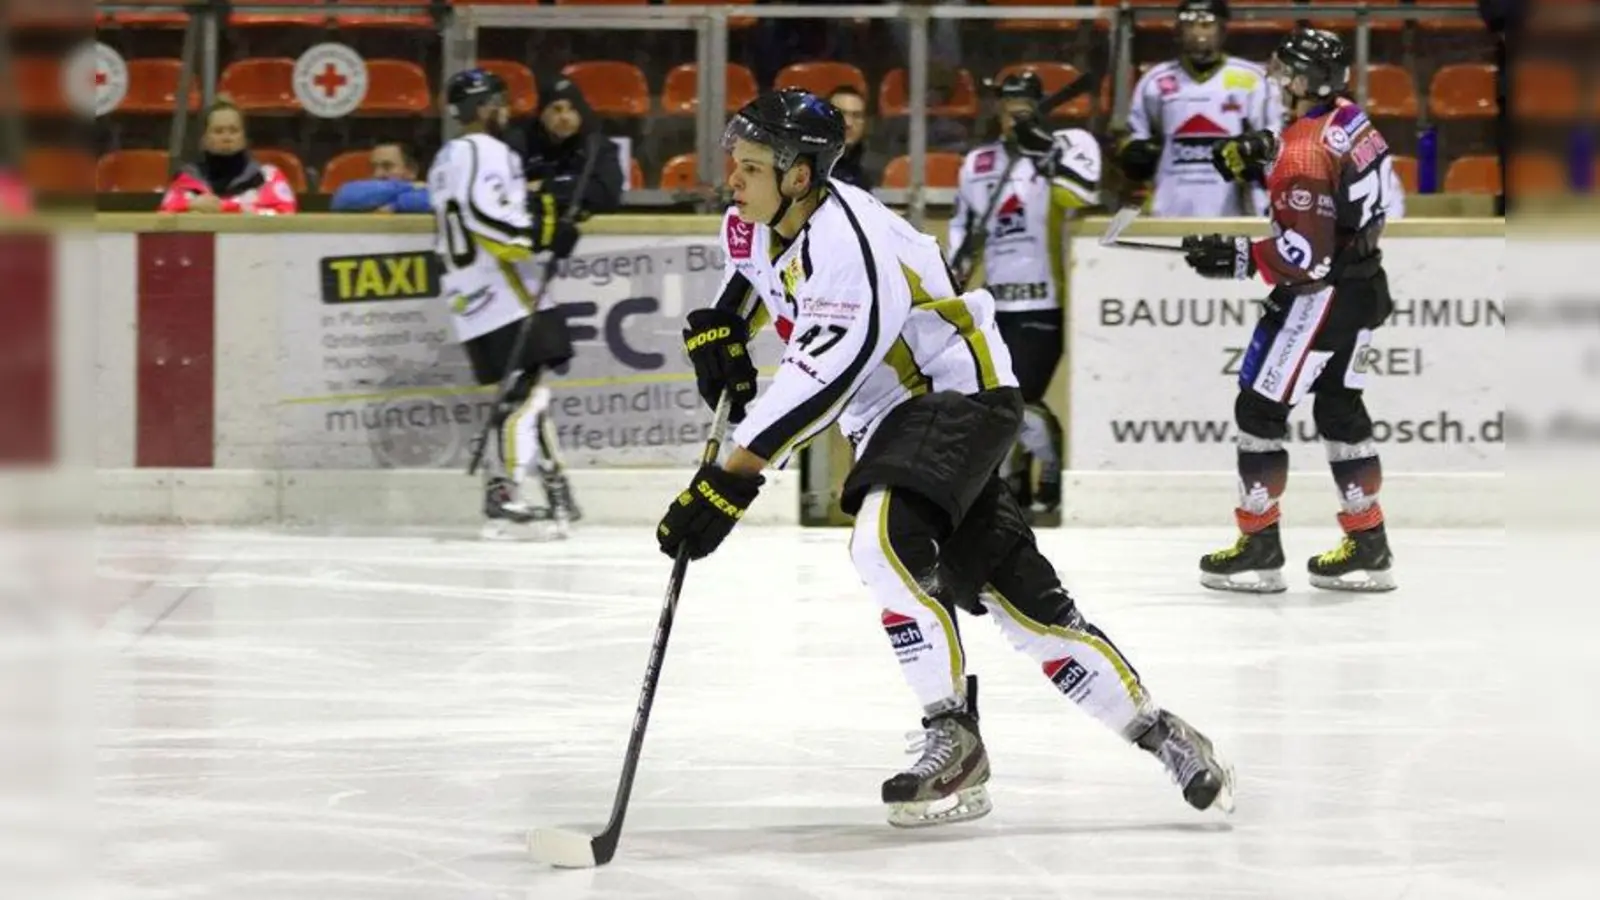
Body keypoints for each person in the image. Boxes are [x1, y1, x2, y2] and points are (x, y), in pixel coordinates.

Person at [656, 88, 1235, 828]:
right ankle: (1163, 734)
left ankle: (951, 733)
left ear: (800, 176)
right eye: (731, 163)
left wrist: (729, 481)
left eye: (749, 167)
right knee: (1023, 605)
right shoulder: (755, 219)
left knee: (882, 541)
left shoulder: (850, 245)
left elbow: (822, 376)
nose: (731, 180)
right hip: (896, 423)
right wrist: (719, 326)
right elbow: (750, 271)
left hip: (953, 398)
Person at [1181, 28, 1399, 593]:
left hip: (1318, 299)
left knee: (1258, 412)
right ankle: (1368, 543)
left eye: (1288, 74)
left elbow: (1305, 256)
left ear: (1307, 82)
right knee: (1340, 409)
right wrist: (1266, 150)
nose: (1280, 81)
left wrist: (1234, 257)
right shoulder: (1351, 118)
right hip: (1363, 285)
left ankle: (1258, 547)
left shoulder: (1304, 152)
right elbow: (1331, 175)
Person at [427, 69, 583, 538]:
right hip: (503, 290)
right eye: (497, 100)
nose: (506, 109)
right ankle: (505, 490)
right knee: (529, 396)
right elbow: (483, 214)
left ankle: (555, 486)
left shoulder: (445, 158)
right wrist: (540, 235)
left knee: (527, 394)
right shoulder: (483, 150)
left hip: (471, 294)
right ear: (481, 107)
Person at [948, 70, 1101, 517]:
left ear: (1038, 105)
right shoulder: (978, 162)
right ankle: (1014, 478)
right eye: (1006, 103)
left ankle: (1049, 466)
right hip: (995, 302)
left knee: (1021, 396)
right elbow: (963, 222)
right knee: (998, 398)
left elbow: (1082, 193)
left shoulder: (1069, 145)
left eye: (1023, 103)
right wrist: (955, 264)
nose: (1013, 112)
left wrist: (1046, 154)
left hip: (1044, 300)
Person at [1116, 0, 1283, 218]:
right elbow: (1135, 136)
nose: (1197, 33)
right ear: (1178, 30)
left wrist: (1256, 158)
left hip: (1235, 213)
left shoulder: (1253, 79)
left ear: (1222, 30)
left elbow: (1275, 137)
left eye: (1206, 24)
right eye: (1190, 25)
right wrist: (1134, 154)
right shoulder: (1155, 81)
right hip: (1167, 211)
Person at [159, 100, 297, 215]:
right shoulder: (185, 180)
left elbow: (286, 216)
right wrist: (190, 206)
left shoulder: (268, 177)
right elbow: (163, 218)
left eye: (233, 130)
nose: (227, 137)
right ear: (204, 139)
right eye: (218, 131)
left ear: (244, 137)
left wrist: (225, 208)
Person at [513, 76, 624, 216]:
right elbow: (507, 193)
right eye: (557, 110)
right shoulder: (520, 141)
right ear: (541, 114)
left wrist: (544, 186)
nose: (565, 117)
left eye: (571, 109)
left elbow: (609, 196)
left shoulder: (597, 146)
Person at [330, 142, 430, 214]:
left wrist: (396, 205)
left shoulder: (428, 194)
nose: (377, 174)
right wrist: (409, 187)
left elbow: (431, 199)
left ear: (412, 170)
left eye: (387, 166)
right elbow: (342, 197)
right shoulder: (363, 195)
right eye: (373, 167)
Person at [825, 85, 876, 190]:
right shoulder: (807, 169)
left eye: (857, 115)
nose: (848, 123)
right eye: (841, 114)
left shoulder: (871, 171)